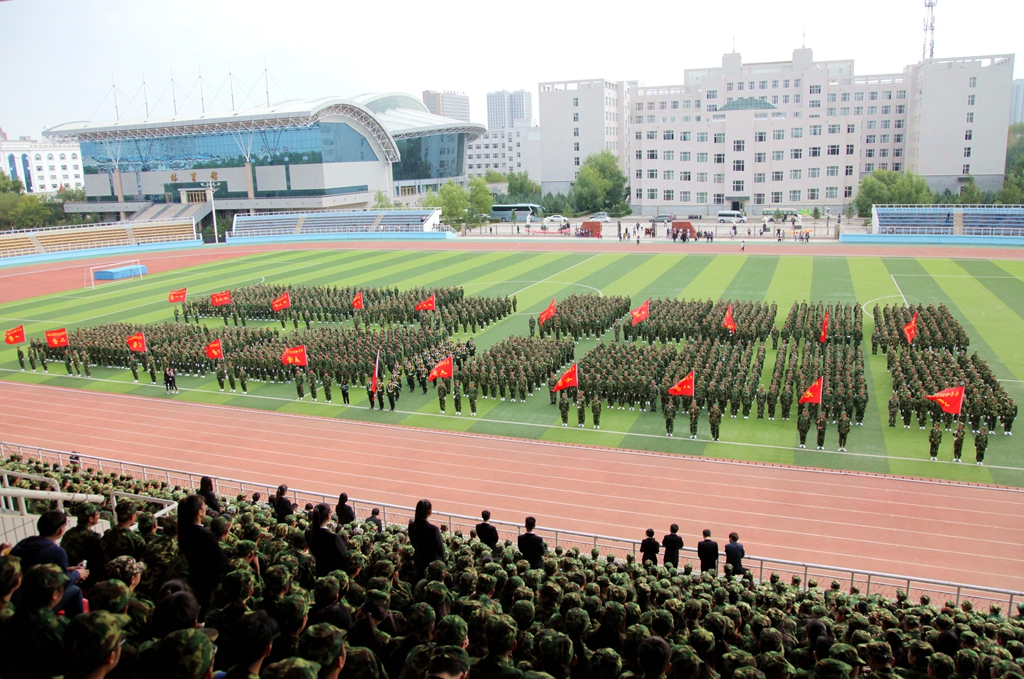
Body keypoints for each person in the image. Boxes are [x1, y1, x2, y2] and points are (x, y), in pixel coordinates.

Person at [9, 509, 88, 616]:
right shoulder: (56, 551)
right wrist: (77, 574)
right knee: (75, 590)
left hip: (15, 597)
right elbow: (63, 582)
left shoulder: (24, 543)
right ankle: (77, 628)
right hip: (34, 602)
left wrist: (68, 569)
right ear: (60, 531)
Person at [176, 494, 228, 616]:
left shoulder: (183, 530)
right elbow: (221, 563)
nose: (206, 508)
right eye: (204, 506)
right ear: (199, 512)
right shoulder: (206, 536)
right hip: (206, 583)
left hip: (194, 578)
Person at [306, 503, 348, 577]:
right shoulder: (333, 537)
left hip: (315, 573)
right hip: (330, 577)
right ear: (328, 516)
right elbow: (345, 557)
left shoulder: (308, 533)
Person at [409, 499, 444, 578]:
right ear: (429, 512)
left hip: (418, 560)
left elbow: (414, 543)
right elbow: (441, 549)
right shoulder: (433, 529)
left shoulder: (411, 526)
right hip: (432, 563)